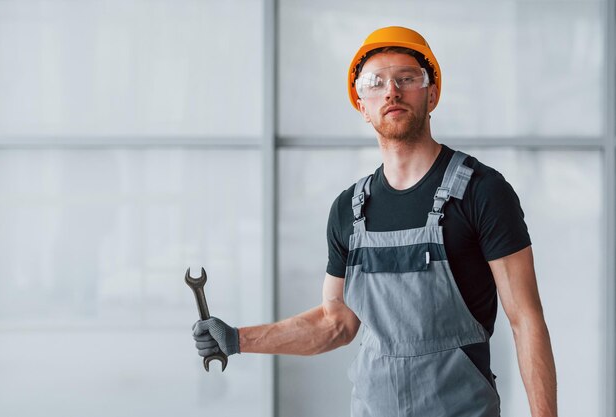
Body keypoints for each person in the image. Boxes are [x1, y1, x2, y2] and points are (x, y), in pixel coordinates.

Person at [192, 26, 557, 417]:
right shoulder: (348, 210)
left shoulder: (482, 192)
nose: (391, 91)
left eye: (407, 78)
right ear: (362, 106)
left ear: (431, 94)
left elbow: (526, 320)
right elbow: (336, 323)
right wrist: (237, 338)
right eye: (375, 82)